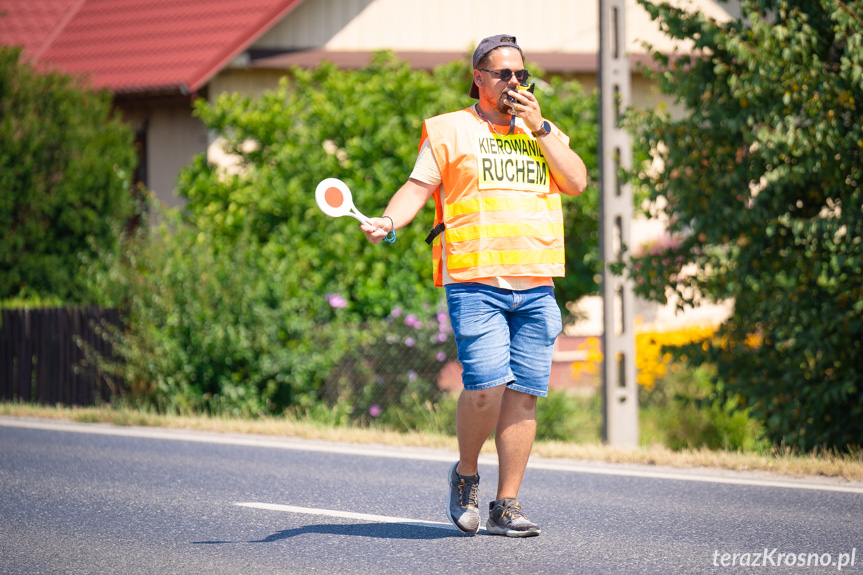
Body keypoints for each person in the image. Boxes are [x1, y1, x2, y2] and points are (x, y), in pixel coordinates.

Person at [361, 34, 587, 537]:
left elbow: (576, 182)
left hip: (536, 281)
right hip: (475, 280)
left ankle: (507, 504)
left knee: (524, 394)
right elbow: (417, 188)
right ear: (478, 78)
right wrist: (388, 221)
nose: (514, 83)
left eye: (521, 75)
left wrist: (542, 127)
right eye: (503, 74)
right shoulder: (448, 131)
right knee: (485, 386)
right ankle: (466, 474)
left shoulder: (543, 132)